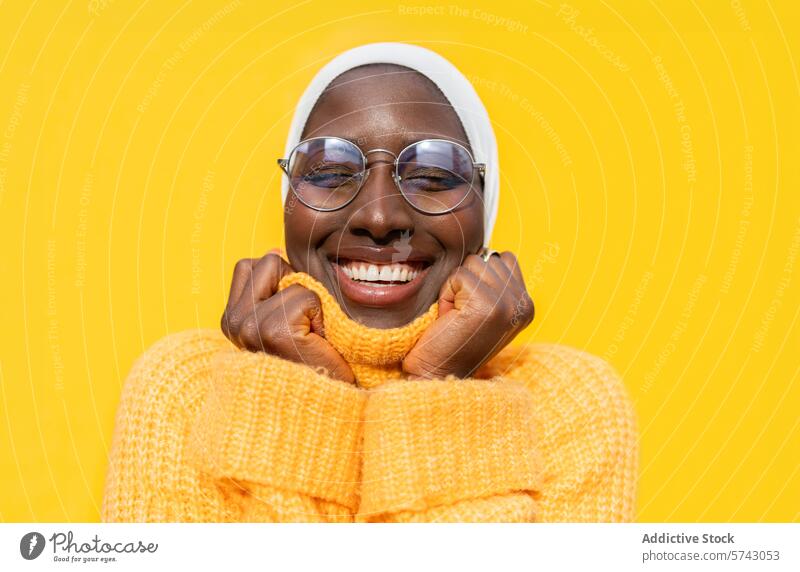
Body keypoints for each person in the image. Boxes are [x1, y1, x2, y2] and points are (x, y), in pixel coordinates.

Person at [101, 42, 638, 523]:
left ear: (485, 202)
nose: (379, 218)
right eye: (332, 172)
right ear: (287, 202)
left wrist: (437, 387)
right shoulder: (183, 391)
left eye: (431, 176)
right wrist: (301, 396)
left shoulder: (570, 405)